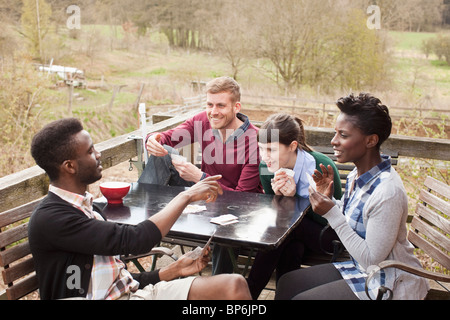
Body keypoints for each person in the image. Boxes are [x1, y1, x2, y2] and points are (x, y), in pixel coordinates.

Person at [28, 118, 252, 300]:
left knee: (234, 285)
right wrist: (187, 195)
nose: (98, 155)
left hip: (135, 294)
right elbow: (136, 239)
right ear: (69, 166)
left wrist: (172, 271)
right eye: (90, 151)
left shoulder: (89, 208)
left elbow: (119, 281)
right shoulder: (52, 218)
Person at [275, 93, 429, 300]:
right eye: (335, 133)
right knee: (288, 282)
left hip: (388, 281)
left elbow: (371, 260)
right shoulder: (359, 174)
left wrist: (331, 212)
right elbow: (358, 219)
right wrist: (330, 200)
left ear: (371, 140)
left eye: (343, 135)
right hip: (363, 270)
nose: (334, 141)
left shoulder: (387, 192)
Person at [138, 76, 262, 274]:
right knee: (165, 154)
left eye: (221, 105)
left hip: (236, 210)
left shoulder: (254, 140)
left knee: (224, 235)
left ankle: (219, 289)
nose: (213, 112)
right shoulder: (202, 121)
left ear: (236, 107)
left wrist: (199, 177)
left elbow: (243, 198)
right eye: (210, 104)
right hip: (202, 197)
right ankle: (141, 230)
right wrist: (153, 139)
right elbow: (167, 138)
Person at [246, 113, 343, 299]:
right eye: (261, 149)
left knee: (286, 229)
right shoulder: (266, 168)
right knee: (292, 247)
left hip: (328, 236)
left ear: (292, 146)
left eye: (271, 150)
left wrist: (295, 199)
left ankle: (248, 294)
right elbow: (275, 213)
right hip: (290, 235)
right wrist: (279, 199)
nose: (265, 156)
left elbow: (334, 218)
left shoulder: (321, 166)